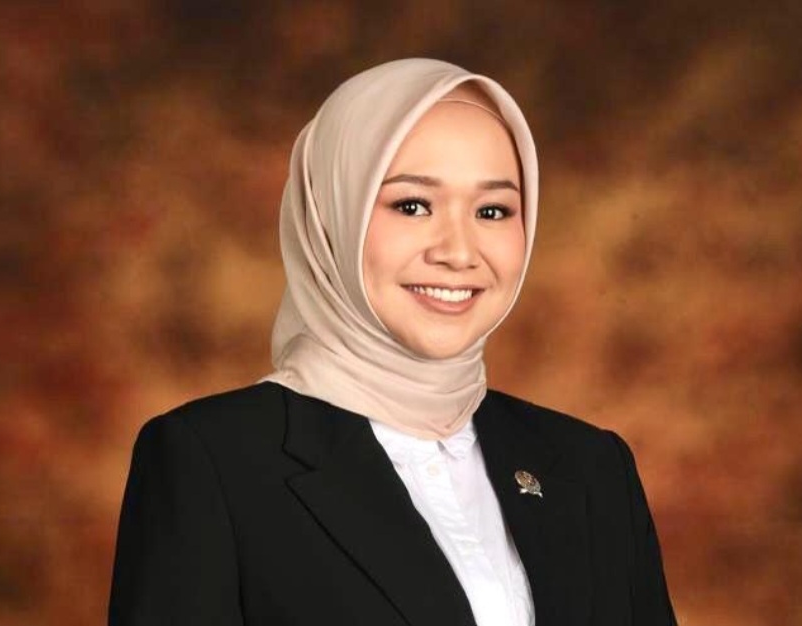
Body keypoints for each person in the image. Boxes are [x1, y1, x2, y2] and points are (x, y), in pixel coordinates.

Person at [108, 58, 677, 626]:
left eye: (492, 210)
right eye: (412, 205)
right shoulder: (212, 463)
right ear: (332, 215)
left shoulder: (593, 468)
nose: (458, 251)